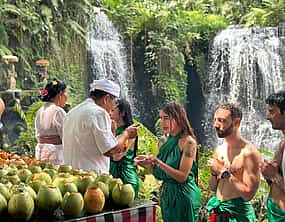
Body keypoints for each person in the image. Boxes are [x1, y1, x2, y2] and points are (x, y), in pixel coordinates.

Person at [136, 102, 201, 222]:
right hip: (167, 196)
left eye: (166, 118)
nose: (162, 122)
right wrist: (147, 164)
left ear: (178, 118)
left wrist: (159, 162)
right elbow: (158, 174)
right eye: (161, 118)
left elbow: (182, 177)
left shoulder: (189, 143)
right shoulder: (163, 141)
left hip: (184, 196)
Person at [63, 79, 137, 174]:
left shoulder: (73, 111)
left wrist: (112, 132)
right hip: (90, 176)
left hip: (71, 174)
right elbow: (110, 150)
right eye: (114, 102)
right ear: (106, 99)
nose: (113, 108)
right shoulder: (99, 113)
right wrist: (126, 134)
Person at [206, 103, 261, 221]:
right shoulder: (219, 150)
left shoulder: (249, 153)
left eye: (221, 120)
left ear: (236, 123)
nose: (215, 125)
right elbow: (213, 187)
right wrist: (214, 174)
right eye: (215, 120)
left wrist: (223, 171)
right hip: (219, 214)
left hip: (238, 215)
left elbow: (248, 194)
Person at [261, 91, 285, 221]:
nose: (268, 117)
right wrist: (269, 176)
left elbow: (277, 178)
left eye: (272, 112)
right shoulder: (282, 144)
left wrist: (274, 176)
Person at [109, 98, 139, 197]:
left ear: (122, 113)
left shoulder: (130, 132)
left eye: (113, 110)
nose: (109, 112)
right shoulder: (113, 130)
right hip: (112, 175)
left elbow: (117, 156)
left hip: (126, 178)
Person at [35, 78, 68, 164]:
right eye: (66, 92)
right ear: (60, 94)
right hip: (55, 154)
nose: (67, 96)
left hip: (40, 152)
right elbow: (66, 137)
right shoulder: (58, 111)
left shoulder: (40, 110)